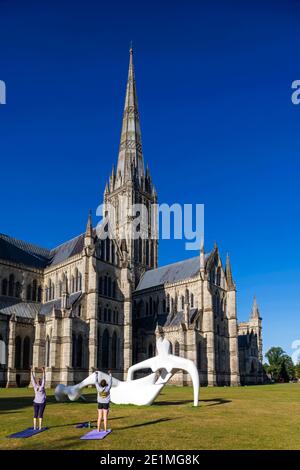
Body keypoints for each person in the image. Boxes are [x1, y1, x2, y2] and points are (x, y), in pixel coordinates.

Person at [30, 366, 46, 430]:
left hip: (36, 402)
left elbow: (32, 379)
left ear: (37, 382)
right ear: (40, 382)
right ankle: (39, 427)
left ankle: (34, 427)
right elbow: (44, 379)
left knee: (35, 414)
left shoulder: (35, 386)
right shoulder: (42, 386)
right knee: (40, 414)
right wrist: (43, 371)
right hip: (41, 402)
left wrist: (31, 371)